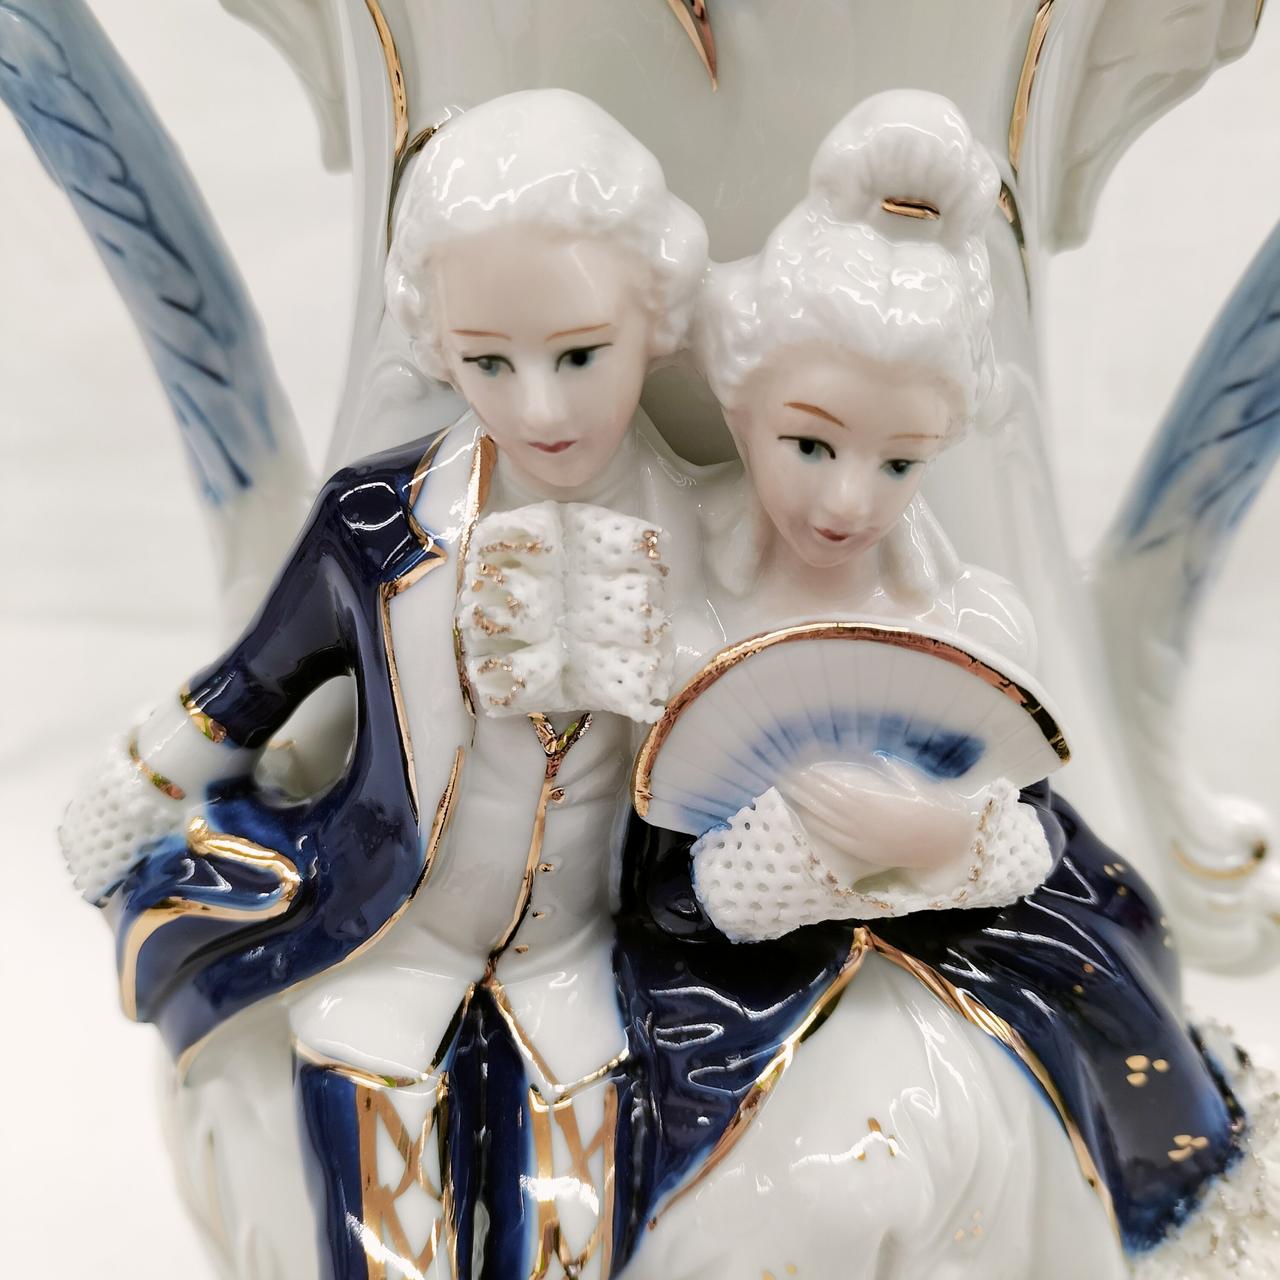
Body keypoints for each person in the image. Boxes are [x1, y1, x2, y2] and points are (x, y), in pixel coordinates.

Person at [59, 88, 716, 1279]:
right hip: (391, 928)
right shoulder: (378, 523)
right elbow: (252, 680)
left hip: (580, 950)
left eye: (579, 355)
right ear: (436, 339)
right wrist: (132, 785)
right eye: (489, 361)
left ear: (654, 315)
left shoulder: (707, 539)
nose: (539, 406)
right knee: (376, 1197)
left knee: (568, 1215)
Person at [613, 92, 1266, 1278]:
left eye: (897, 461)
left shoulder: (965, 616)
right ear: (740, 402)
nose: (845, 499)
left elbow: (1031, 829)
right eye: (809, 443)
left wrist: (934, 836)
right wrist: (802, 854)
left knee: (1042, 1087)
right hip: (734, 972)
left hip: (970, 945)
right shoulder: (685, 604)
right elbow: (662, 867)